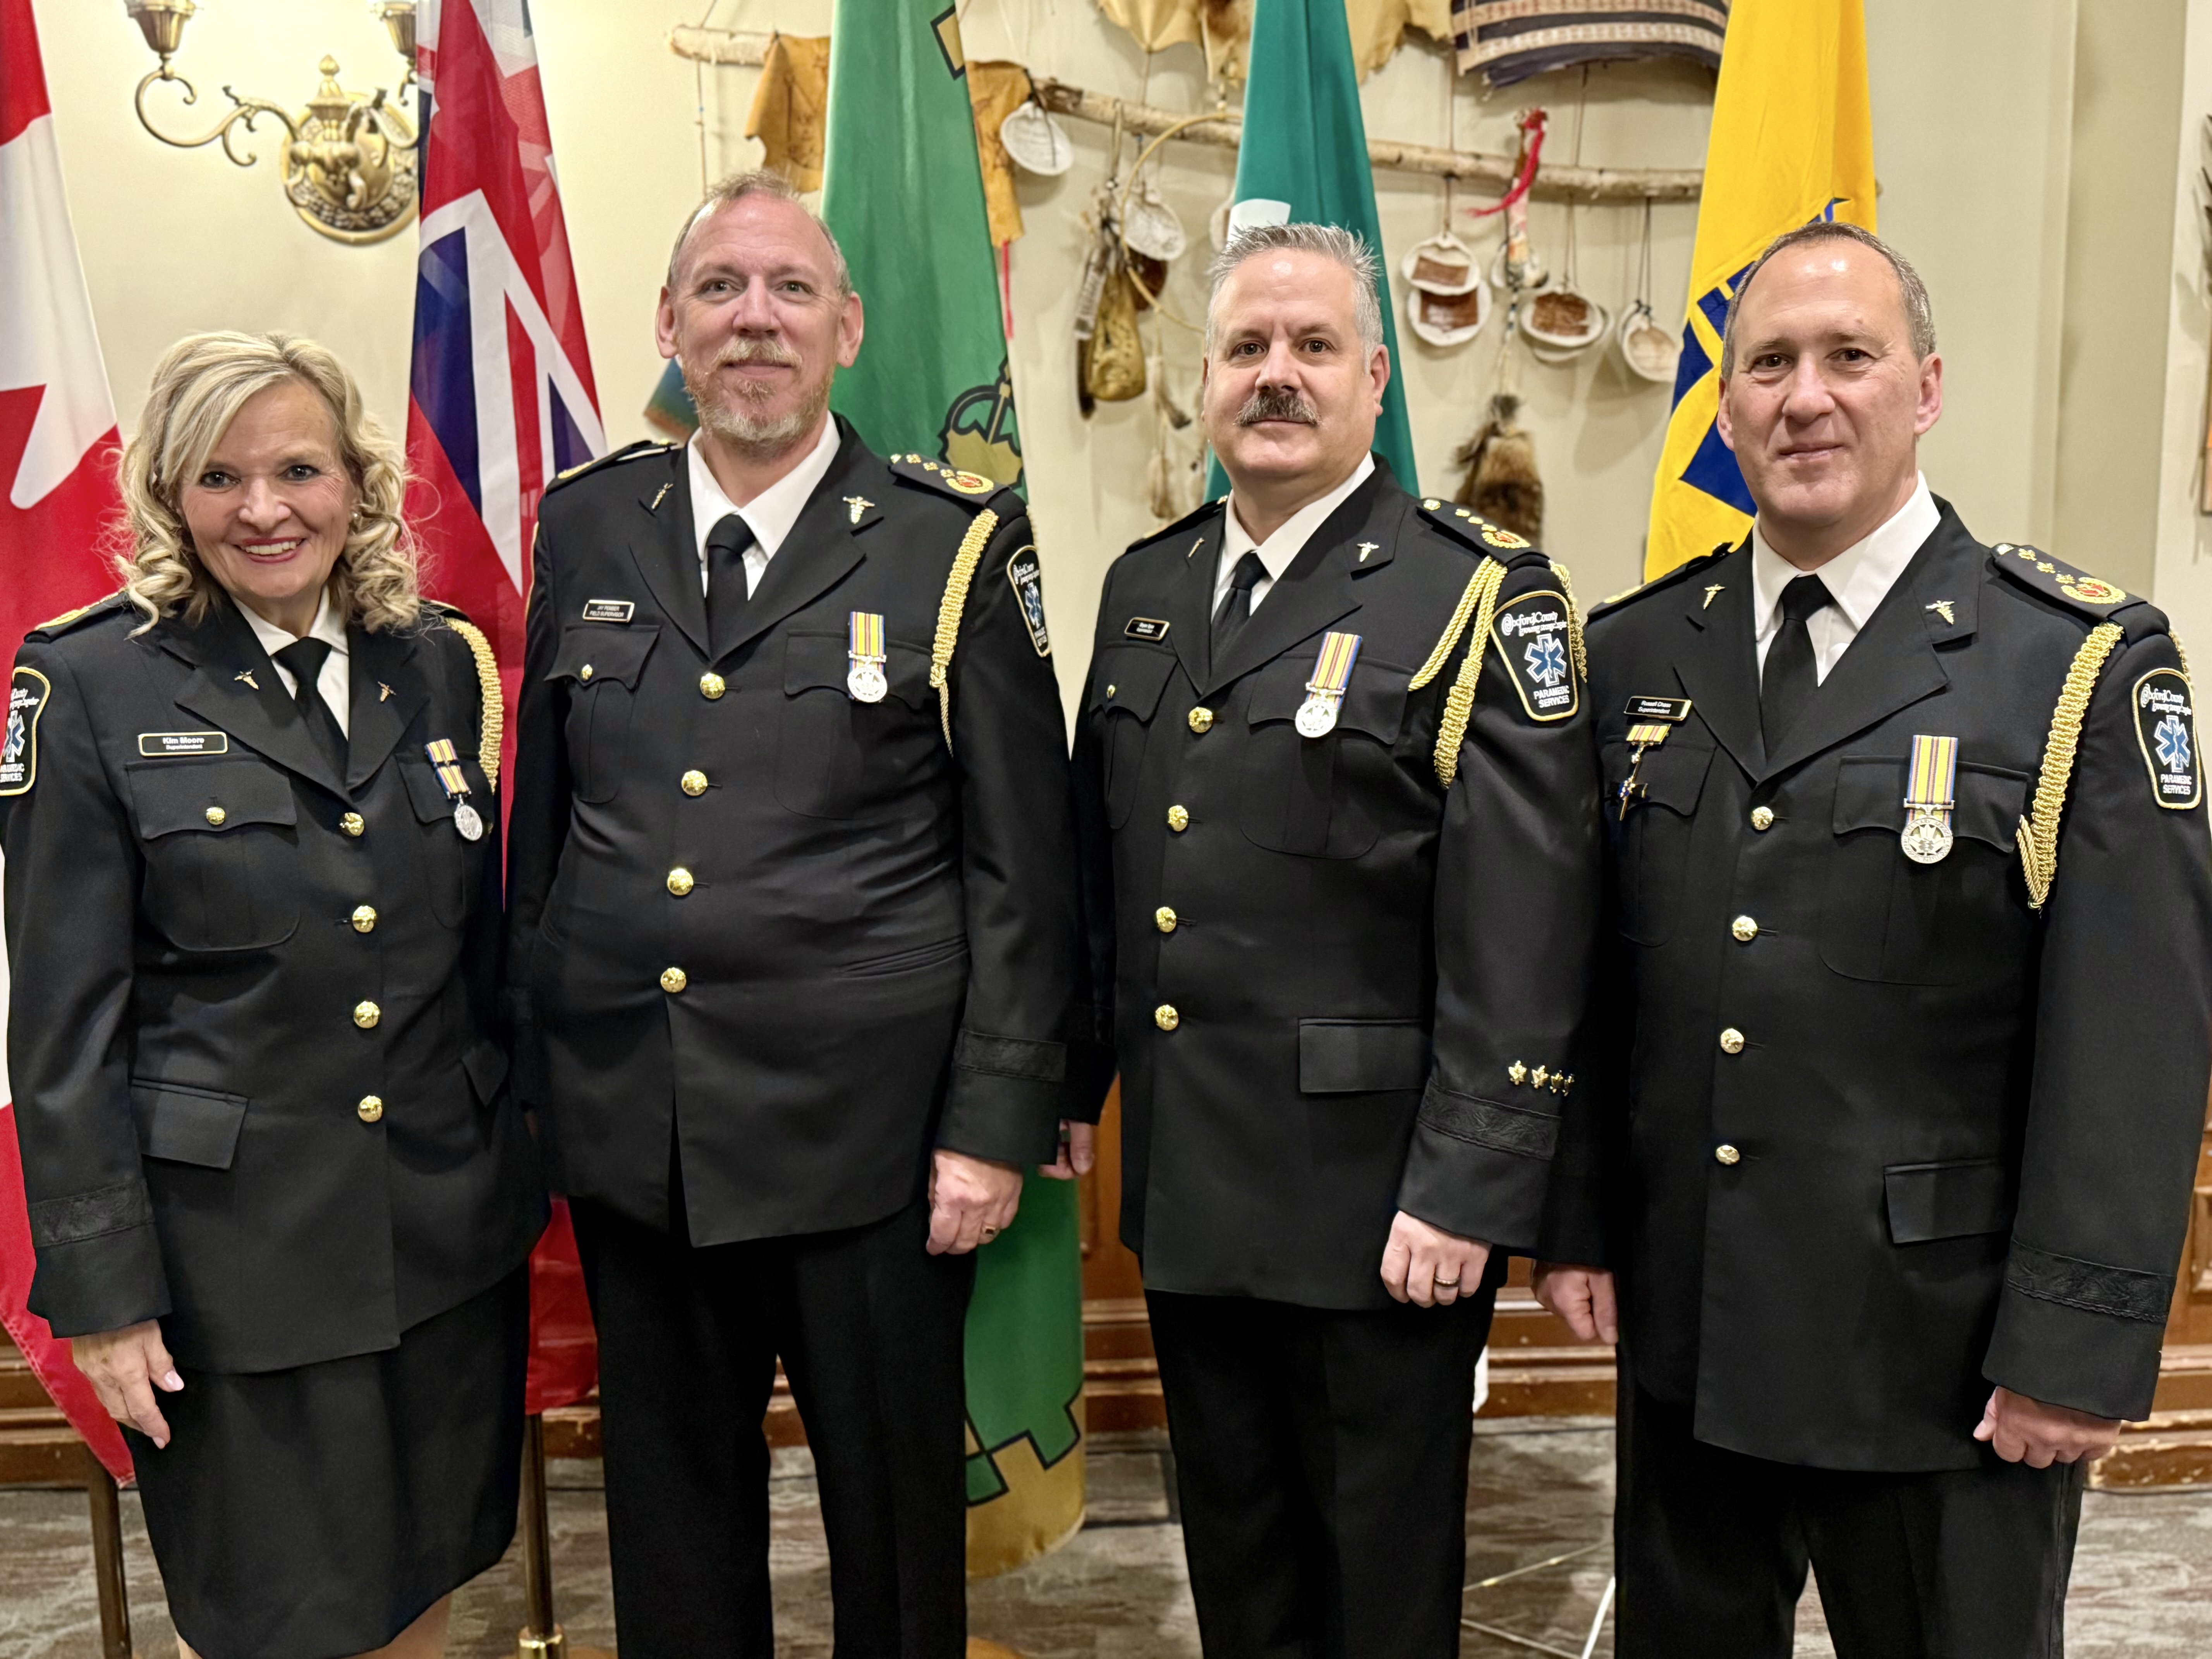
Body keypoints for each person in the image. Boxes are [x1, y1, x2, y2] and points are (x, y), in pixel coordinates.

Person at [1537, 222, 2212, 1657]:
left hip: (1943, 1365)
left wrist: (2073, 1347)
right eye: (1768, 363)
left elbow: (2134, 1047)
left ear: (1927, 387)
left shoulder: (2075, 662)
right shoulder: (1643, 651)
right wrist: (1581, 1216)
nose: (1806, 396)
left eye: (1851, 356)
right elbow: (1608, 979)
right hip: (1695, 1340)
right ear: (1724, 408)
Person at [503, 170, 1081, 1659]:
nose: (753, 320)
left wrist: (992, 1125)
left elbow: (1025, 859)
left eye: (788, 291)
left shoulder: (952, 542)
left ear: (848, 327)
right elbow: (545, 831)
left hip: (876, 1151)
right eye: (720, 290)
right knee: (673, 1530)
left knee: (893, 1541)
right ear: (670, 325)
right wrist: (537, 1087)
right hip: (646, 1135)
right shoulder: (587, 529)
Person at [1063, 222, 1602, 1659]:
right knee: (1239, 1573)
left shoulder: (1479, 593)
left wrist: (1472, 1189)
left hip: (1381, 1212)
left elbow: (1529, 931)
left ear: (1377, 382)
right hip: (1191, 1185)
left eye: (1312, 349)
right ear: (1204, 384)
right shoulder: (1148, 588)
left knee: (1378, 1592)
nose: (1276, 377)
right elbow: (1106, 872)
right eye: (1247, 349)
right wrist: (1061, 1090)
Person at [1, 331, 544, 1659]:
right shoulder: (87, 684)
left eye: (299, 468)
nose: (264, 508)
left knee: (428, 1579)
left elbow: (476, 967)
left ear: (357, 483)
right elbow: (62, 1031)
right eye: (220, 477)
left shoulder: (439, 664)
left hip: (441, 1245)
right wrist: (104, 1292)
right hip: (233, 1270)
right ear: (169, 497)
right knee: (269, 1619)